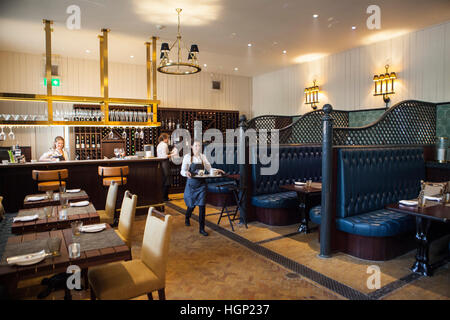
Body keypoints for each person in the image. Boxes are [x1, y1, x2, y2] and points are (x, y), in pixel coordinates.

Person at [180, 140, 224, 236]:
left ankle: (201, 228)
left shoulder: (203, 157)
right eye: (196, 146)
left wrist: (217, 170)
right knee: (191, 205)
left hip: (202, 185)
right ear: (191, 146)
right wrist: (186, 173)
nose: (198, 147)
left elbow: (209, 168)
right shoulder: (188, 157)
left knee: (202, 206)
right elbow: (182, 171)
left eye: (199, 146)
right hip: (192, 184)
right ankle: (187, 217)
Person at [157, 133, 175, 201]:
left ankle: (163, 196)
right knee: (167, 180)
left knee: (164, 179)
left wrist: (170, 153)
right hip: (165, 163)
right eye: (168, 138)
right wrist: (173, 154)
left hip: (161, 163)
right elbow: (164, 156)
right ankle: (165, 197)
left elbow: (162, 154)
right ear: (165, 139)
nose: (168, 139)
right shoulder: (164, 145)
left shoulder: (159, 145)